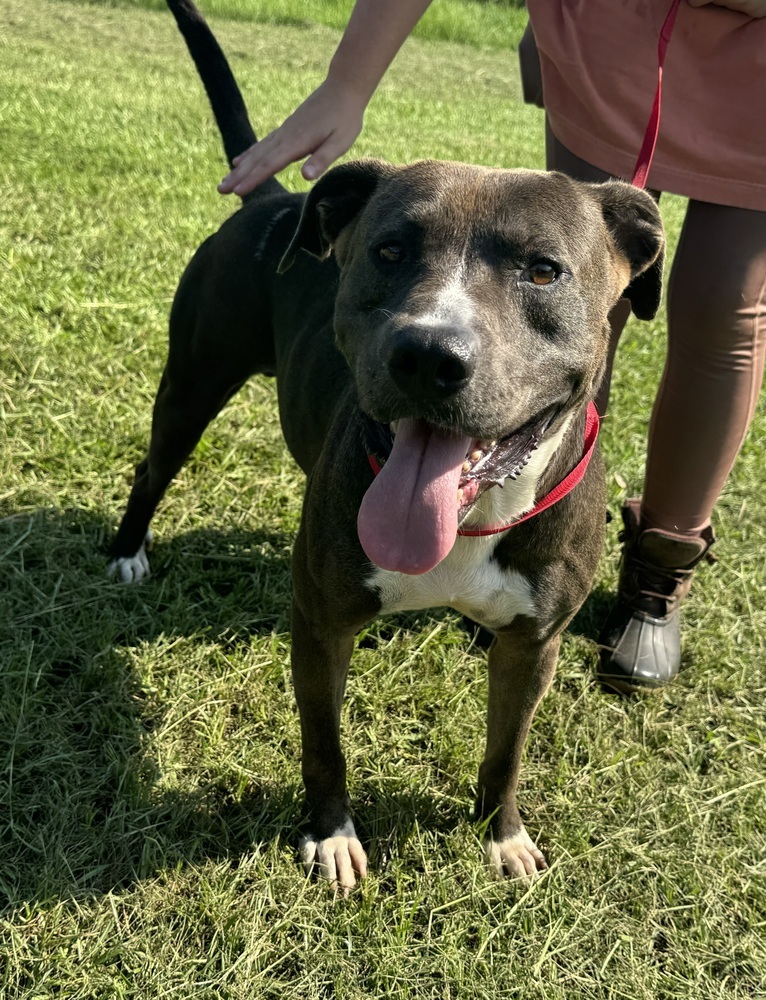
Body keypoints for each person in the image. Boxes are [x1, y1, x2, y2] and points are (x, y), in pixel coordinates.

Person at [219, 0, 766, 693]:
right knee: (557, 289)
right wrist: (348, 81)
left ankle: (658, 568)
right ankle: (491, 524)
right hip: (613, 30)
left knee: (722, 308)